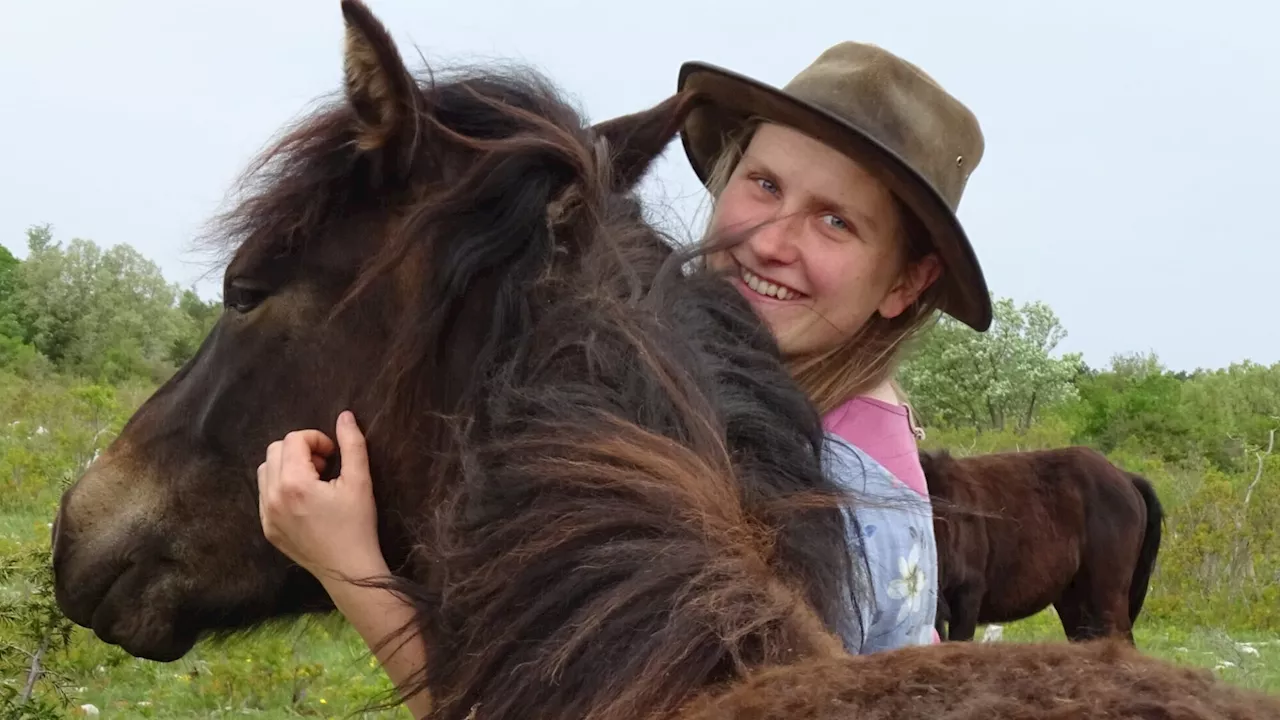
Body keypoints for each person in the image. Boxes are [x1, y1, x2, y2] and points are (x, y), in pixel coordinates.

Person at [257, 40, 991, 714]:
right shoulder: (719, 411)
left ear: (905, 283)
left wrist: (350, 567)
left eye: (836, 222)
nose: (768, 241)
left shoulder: (845, 507)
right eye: (764, 183)